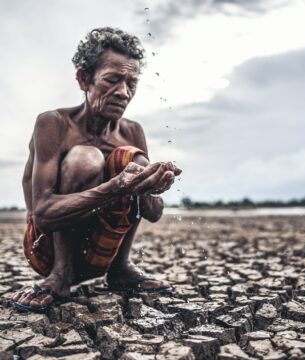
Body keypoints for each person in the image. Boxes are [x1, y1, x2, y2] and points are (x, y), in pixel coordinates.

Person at [11, 27, 182, 313]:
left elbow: (152, 213)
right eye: (112, 80)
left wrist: (151, 185)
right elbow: (43, 214)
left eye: (131, 83)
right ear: (83, 80)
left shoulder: (132, 132)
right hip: (47, 251)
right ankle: (61, 276)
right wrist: (118, 186)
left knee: (134, 161)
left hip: (102, 249)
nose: (123, 92)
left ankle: (121, 269)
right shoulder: (54, 124)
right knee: (85, 158)